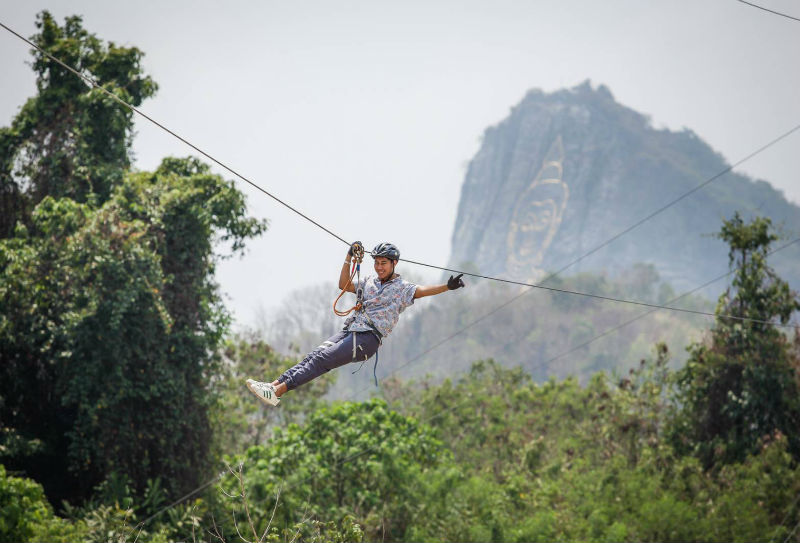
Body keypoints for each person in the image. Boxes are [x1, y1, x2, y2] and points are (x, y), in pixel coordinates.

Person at [246, 241, 465, 406]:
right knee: (313, 355)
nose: (379, 267)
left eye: (384, 263)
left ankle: (279, 391)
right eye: (377, 263)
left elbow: (422, 291)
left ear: (394, 263)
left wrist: (447, 286)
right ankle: (273, 386)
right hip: (351, 329)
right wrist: (349, 256)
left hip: (368, 339)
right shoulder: (369, 282)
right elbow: (343, 284)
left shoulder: (401, 288)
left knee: (323, 359)